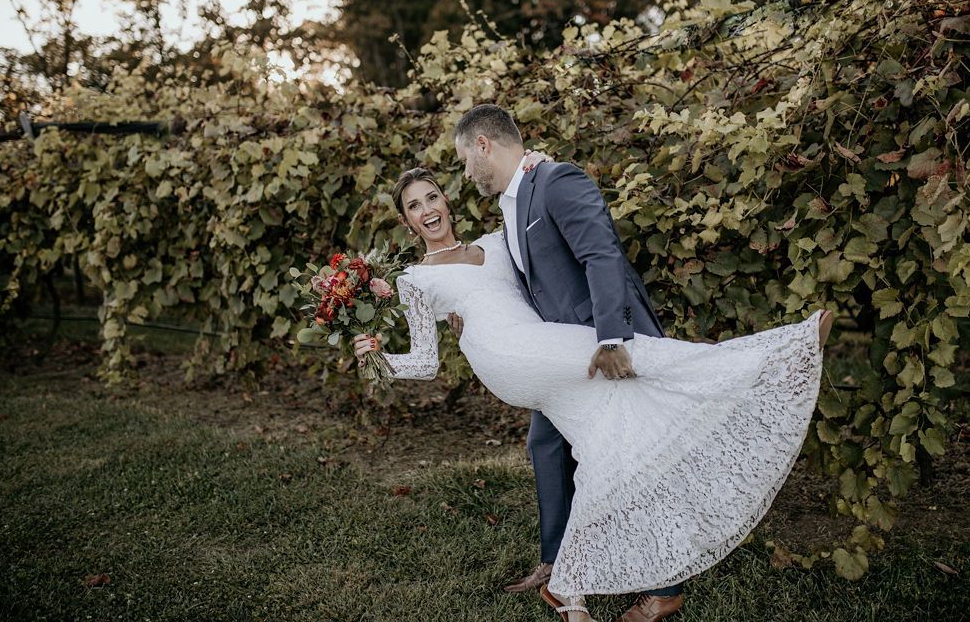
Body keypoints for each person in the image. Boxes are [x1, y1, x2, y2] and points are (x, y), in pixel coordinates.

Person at [353, 115, 833, 622]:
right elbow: (426, 360)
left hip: (542, 345)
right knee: (634, 370)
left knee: (606, 450)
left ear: (450, 194)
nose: (428, 208)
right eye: (414, 206)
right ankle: (776, 356)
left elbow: (533, 266)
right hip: (512, 355)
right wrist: (378, 358)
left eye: (432, 197)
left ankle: (569, 590)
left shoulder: (498, 237)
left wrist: (533, 164)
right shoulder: (412, 278)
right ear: (406, 222)